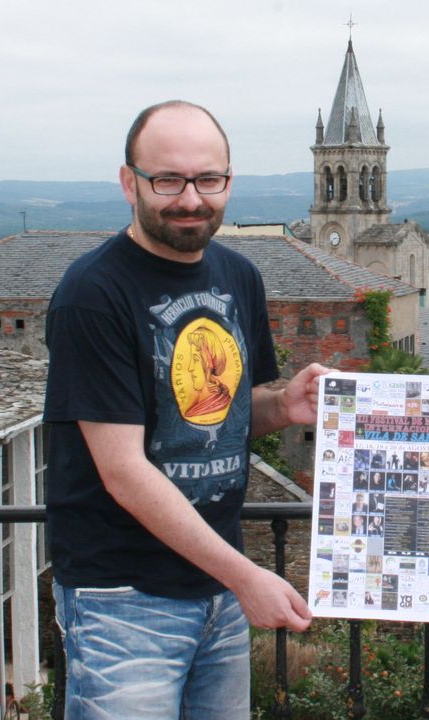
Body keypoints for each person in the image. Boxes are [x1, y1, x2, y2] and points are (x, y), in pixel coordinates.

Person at [44, 99, 330, 720]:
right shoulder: (93, 295)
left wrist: (286, 404)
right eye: (167, 179)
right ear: (130, 183)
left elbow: (222, 415)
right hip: (123, 598)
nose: (191, 199)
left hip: (215, 590)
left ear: (229, 180)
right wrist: (247, 576)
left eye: (208, 179)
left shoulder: (237, 276)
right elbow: (123, 469)